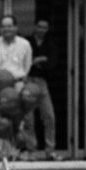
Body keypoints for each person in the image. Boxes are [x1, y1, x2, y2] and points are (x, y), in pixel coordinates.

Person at [27, 18, 60, 156]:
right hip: (27, 80)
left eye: (44, 27)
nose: (41, 30)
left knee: (49, 116)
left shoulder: (50, 43)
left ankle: (50, 149)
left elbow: (52, 64)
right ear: (35, 27)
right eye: (39, 27)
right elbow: (25, 62)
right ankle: (31, 149)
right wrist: (40, 60)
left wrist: (38, 61)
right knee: (28, 117)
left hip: (42, 82)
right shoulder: (27, 42)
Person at [0, 14, 32, 99]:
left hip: (18, 85)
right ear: (0, 29)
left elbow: (27, 64)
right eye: (3, 27)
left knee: (17, 111)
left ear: (16, 27)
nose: (6, 29)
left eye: (9, 26)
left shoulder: (25, 44)